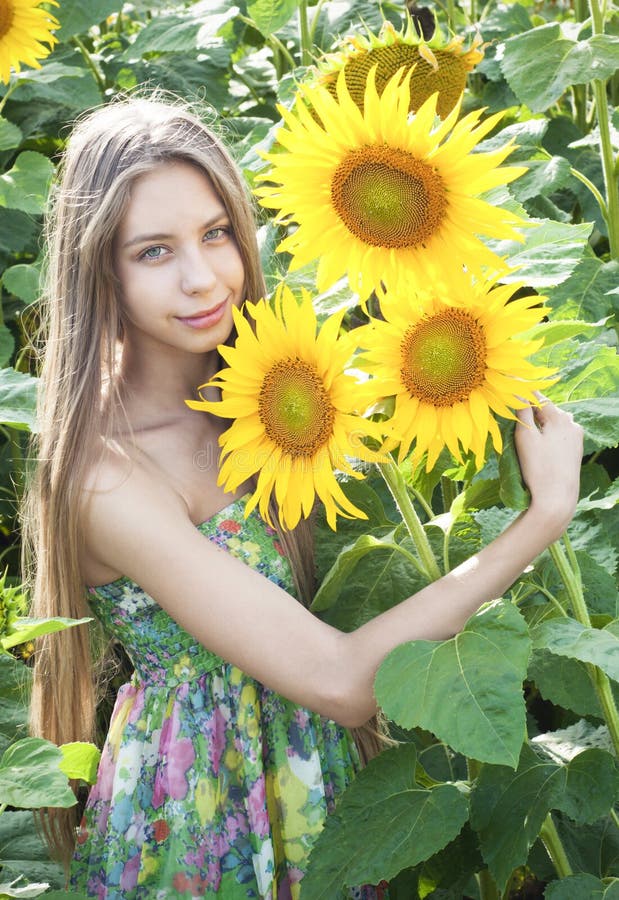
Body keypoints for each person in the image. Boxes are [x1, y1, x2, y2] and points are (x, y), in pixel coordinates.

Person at [23, 96, 584, 900]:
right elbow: (339, 678)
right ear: (98, 267)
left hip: (316, 782)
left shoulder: (269, 393)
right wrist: (544, 517)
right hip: (205, 813)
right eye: (152, 251)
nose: (201, 276)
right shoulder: (105, 477)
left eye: (216, 233)